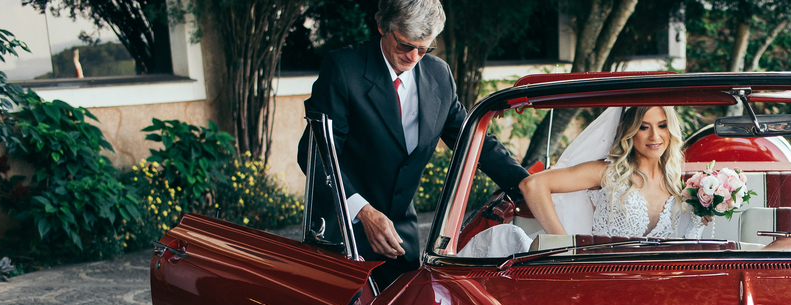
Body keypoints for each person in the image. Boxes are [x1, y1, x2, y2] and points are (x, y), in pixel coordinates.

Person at [297, 0, 529, 286]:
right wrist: (363, 212)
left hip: (401, 240)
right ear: (383, 26)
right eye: (406, 46)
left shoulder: (439, 75)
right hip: (343, 238)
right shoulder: (345, 69)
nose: (414, 57)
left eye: (424, 48)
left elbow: (473, 140)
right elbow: (313, 154)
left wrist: (526, 187)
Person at [458, 105, 703, 257]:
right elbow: (532, 185)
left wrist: (705, 214)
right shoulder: (607, 173)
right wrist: (564, 245)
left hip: (653, 282)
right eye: (643, 127)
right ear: (630, 132)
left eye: (662, 126)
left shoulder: (677, 184)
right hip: (601, 275)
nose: (655, 136)